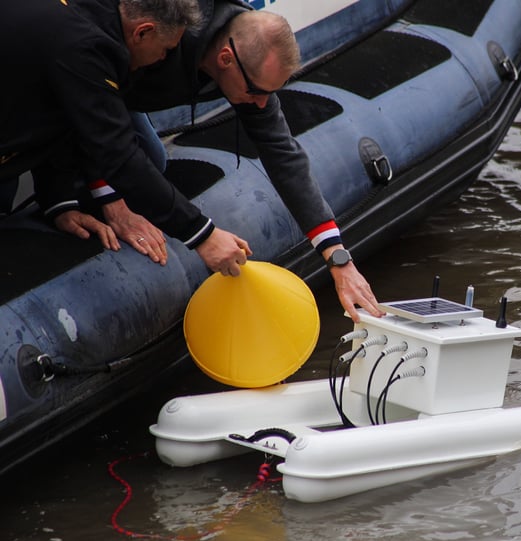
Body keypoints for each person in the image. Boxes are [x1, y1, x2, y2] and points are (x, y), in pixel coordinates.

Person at [118, 0, 382, 321]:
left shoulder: (244, 66)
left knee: (153, 157)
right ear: (226, 59)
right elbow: (90, 116)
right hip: (82, 85)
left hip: (123, 99)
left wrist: (339, 260)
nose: (261, 103)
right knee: (116, 172)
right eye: (256, 90)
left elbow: (284, 155)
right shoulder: (163, 33)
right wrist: (110, 199)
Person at [0, 0, 250, 269]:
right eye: (166, 50)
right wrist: (203, 235)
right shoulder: (85, 46)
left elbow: (65, 114)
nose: (163, 59)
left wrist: (58, 199)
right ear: (142, 32)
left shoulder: (92, 20)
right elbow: (117, 154)